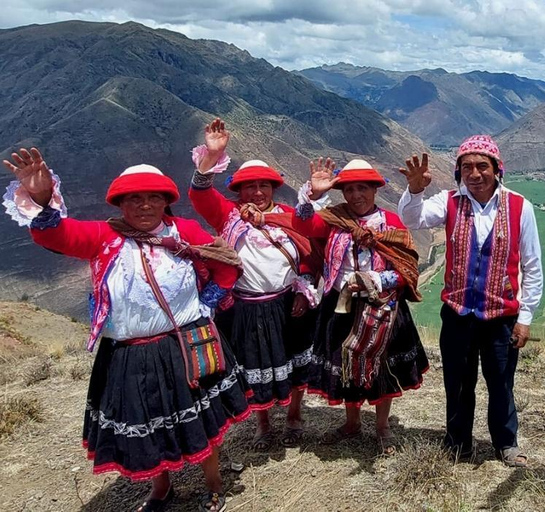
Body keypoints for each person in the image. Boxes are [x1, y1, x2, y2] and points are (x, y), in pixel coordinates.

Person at [3, 147, 252, 512]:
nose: (145, 205)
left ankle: (213, 483)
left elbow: (226, 262)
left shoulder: (184, 231)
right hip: (129, 354)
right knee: (147, 423)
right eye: (134, 198)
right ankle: (161, 488)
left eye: (154, 198)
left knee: (200, 420)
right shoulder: (104, 237)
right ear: (120, 204)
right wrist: (42, 200)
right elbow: (57, 236)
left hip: (183, 344)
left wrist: (209, 300)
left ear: (166, 202)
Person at [397, 134, 543, 467]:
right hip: (458, 313)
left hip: (500, 317)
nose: (474, 173)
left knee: (501, 383)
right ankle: (458, 442)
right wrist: (416, 190)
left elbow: (532, 265)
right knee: (459, 383)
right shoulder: (448, 202)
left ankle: (506, 443)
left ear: (497, 169)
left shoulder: (520, 207)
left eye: (482, 166)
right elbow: (412, 219)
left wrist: (526, 316)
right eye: (466, 167)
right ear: (458, 172)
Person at [189, 119, 321, 450]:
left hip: (288, 303)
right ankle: (263, 424)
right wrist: (212, 156)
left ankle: (293, 415)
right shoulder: (228, 216)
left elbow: (308, 254)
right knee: (254, 366)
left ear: (273, 189)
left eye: (263, 185)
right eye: (250, 187)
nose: (258, 192)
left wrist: (304, 287)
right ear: (238, 191)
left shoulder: (291, 217)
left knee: (295, 360)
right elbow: (200, 195)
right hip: (247, 306)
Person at [291, 157, 428, 455]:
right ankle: (352, 423)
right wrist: (312, 196)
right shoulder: (332, 219)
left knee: (381, 367)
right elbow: (302, 223)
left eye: (362, 188)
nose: (355, 196)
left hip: (382, 307)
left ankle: (382, 426)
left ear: (375, 190)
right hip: (339, 307)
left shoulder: (390, 223)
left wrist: (373, 280)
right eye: (349, 190)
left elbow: (406, 270)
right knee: (345, 368)